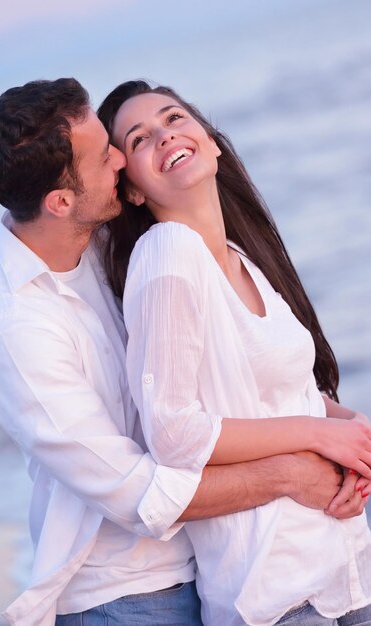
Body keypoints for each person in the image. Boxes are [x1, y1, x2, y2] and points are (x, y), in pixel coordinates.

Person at [0, 77, 362, 626]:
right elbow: (142, 492)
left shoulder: (108, 237)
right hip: (124, 597)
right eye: (107, 153)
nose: (119, 161)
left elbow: (235, 372)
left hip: (214, 561)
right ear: (59, 202)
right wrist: (294, 471)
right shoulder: (16, 334)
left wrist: (344, 428)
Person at [97, 79, 371, 626]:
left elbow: (279, 393)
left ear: (212, 141)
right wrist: (319, 435)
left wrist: (355, 431)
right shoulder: (166, 253)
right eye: (139, 137)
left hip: (341, 562)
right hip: (276, 592)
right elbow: (173, 433)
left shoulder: (242, 256)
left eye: (174, 118)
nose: (165, 135)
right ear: (131, 190)